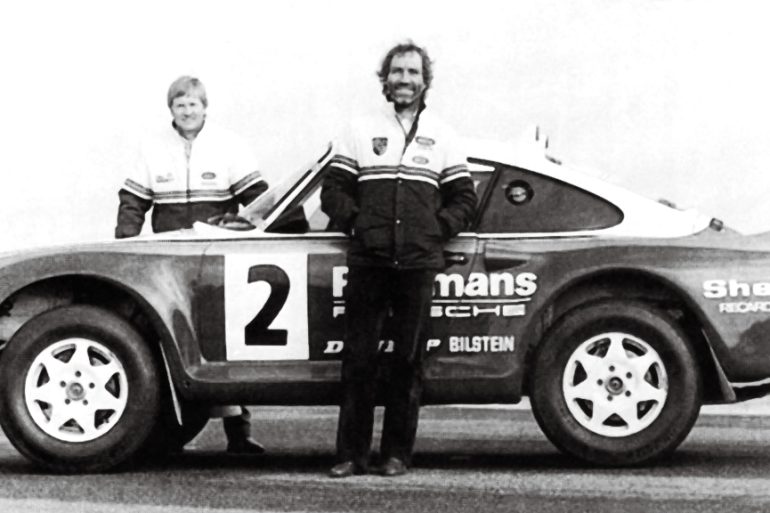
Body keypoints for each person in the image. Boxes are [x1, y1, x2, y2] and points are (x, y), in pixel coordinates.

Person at [321, 42, 477, 477]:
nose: (404, 80)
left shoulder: (443, 134)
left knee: (406, 362)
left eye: (412, 72)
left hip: (418, 263)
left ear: (425, 80)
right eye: (396, 72)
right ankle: (350, 455)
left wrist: (435, 230)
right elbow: (332, 191)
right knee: (358, 359)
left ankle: (396, 455)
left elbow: (465, 198)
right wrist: (359, 224)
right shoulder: (358, 128)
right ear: (384, 79)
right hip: (369, 261)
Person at [115, 75, 266, 454]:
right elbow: (132, 203)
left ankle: (239, 434)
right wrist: (124, 250)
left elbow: (258, 199)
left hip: (215, 259)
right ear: (171, 110)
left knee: (221, 340)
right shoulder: (152, 148)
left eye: (193, 104)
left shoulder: (229, 145)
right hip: (168, 261)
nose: (187, 111)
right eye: (180, 105)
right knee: (170, 345)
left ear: (204, 107)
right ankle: (166, 434)